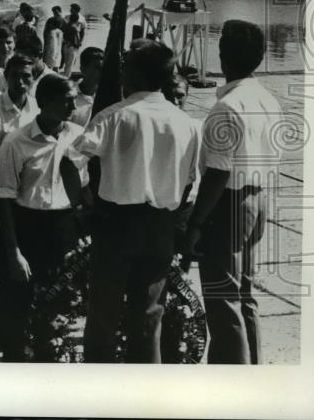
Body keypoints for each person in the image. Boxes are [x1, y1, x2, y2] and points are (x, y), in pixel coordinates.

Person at [59, 41, 200, 363]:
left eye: (126, 67)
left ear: (135, 73)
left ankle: (100, 395)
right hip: (160, 227)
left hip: (116, 226)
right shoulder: (186, 123)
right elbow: (191, 179)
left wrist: (81, 206)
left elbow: (70, 161)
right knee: (149, 318)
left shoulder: (114, 116)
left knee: (103, 317)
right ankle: (144, 397)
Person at [184, 20, 281, 364]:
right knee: (245, 295)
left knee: (223, 305)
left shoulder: (226, 107)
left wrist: (195, 223)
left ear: (224, 57)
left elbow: (217, 174)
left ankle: (232, 384)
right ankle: (251, 371)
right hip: (259, 200)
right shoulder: (266, 99)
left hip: (229, 206)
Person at [0, 75, 86, 361]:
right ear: (45, 102)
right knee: (18, 304)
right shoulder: (16, 141)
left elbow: (87, 186)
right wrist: (13, 252)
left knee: (60, 302)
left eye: (74, 98)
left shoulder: (79, 136)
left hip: (64, 228)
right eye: (66, 99)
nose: (73, 105)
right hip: (27, 227)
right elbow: (4, 199)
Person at [69, 46, 104, 127]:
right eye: (97, 67)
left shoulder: (106, 96)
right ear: (83, 69)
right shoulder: (68, 94)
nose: (101, 72)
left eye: (103, 68)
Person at [61, 3, 86, 76]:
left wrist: (80, 41)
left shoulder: (82, 19)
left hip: (71, 43)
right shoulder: (67, 17)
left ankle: (66, 75)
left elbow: (82, 32)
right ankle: (66, 76)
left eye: (72, 9)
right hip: (71, 43)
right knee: (68, 63)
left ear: (76, 10)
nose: (70, 10)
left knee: (68, 62)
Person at [42, 6, 66, 70]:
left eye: (56, 12)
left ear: (60, 11)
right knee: (53, 59)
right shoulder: (52, 20)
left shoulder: (63, 21)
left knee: (55, 59)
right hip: (53, 43)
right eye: (54, 12)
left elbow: (65, 33)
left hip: (57, 43)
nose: (55, 14)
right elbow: (45, 32)